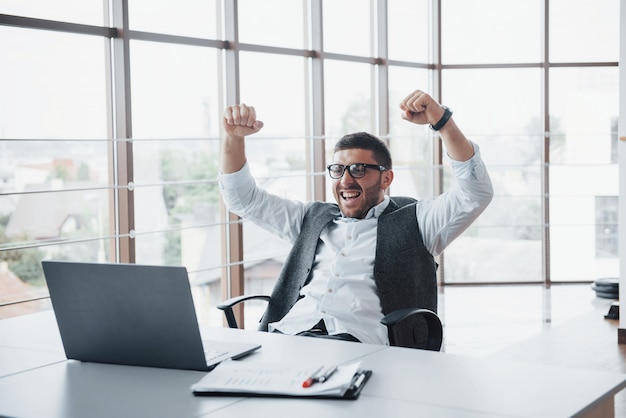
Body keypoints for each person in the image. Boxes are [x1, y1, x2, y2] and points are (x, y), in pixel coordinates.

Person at [218, 89, 493, 346]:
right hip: (288, 337)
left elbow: (475, 192)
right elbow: (243, 199)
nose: (346, 180)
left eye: (359, 169)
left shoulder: (418, 221)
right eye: (338, 169)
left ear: (386, 178)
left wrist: (442, 122)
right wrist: (233, 138)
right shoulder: (310, 219)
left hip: (356, 345)